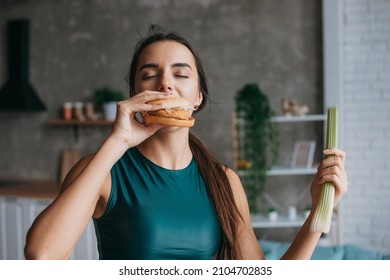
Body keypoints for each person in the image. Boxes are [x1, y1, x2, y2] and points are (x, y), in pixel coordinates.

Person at [24, 25, 348, 260]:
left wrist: (319, 211)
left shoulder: (224, 181)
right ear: (136, 93)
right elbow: (42, 255)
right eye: (150, 74)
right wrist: (117, 142)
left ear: (197, 97)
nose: (165, 83)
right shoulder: (105, 171)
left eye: (180, 74)